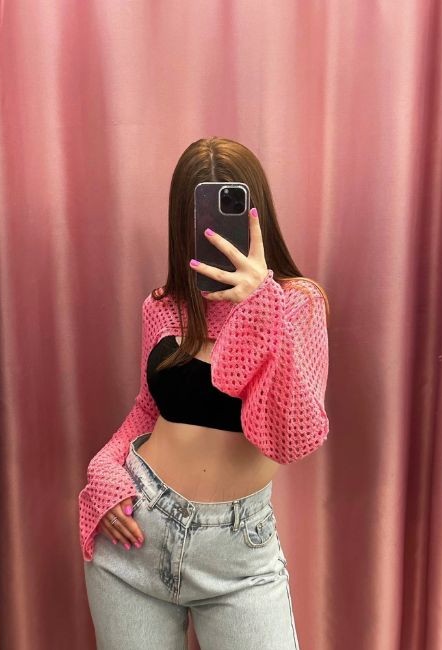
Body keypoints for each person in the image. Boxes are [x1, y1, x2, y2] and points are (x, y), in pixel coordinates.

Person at [79, 137, 330, 649]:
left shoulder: (297, 304)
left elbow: (292, 438)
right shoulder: (163, 306)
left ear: (257, 214)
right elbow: (147, 411)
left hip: (239, 556)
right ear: (184, 223)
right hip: (137, 537)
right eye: (201, 217)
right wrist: (103, 472)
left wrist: (262, 304)